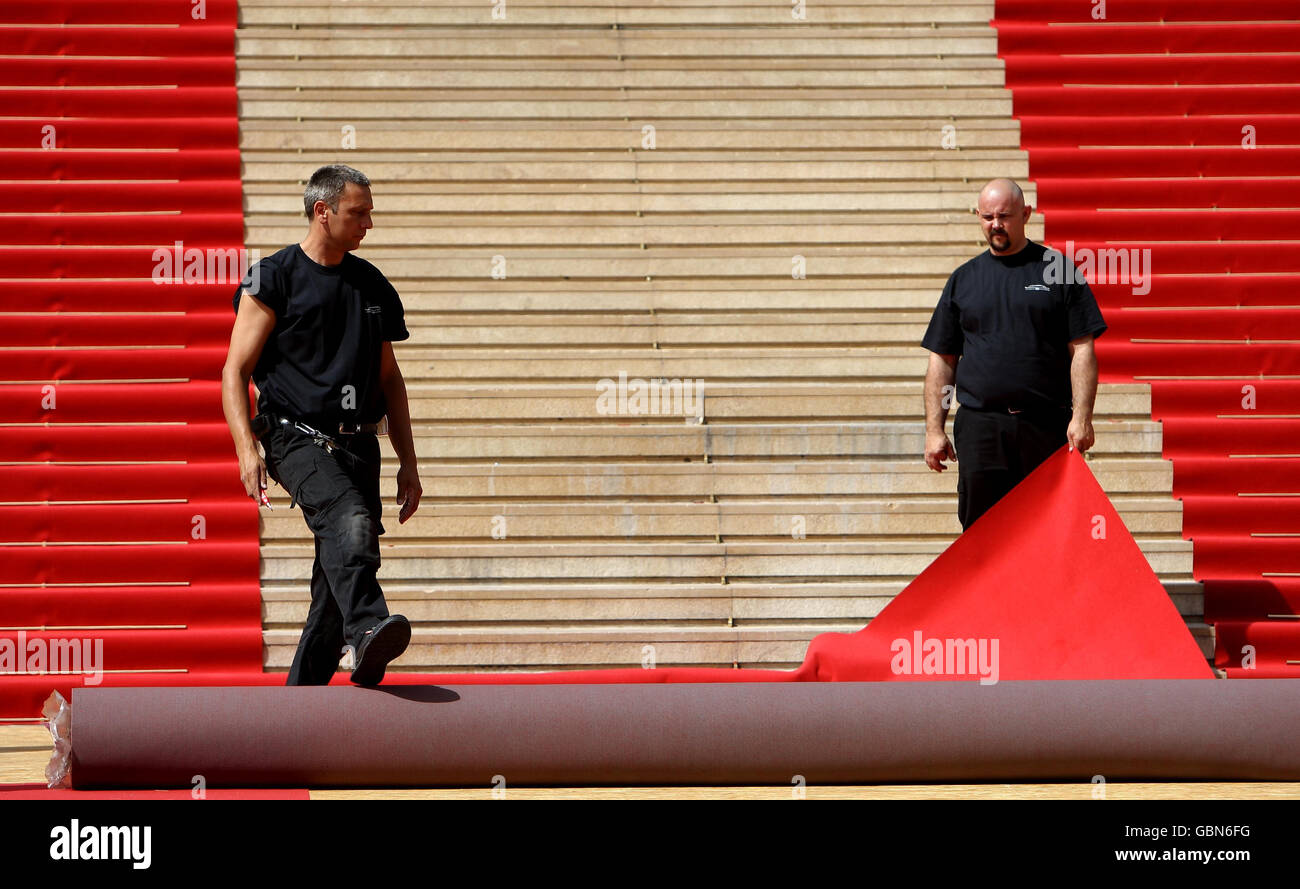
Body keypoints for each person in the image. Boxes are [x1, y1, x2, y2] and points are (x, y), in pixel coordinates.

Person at [222, 164, 422, 685]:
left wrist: (408, 462)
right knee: (349, 520)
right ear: (322, 211)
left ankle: (297, 708)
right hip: (295, 437)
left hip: (360, 445)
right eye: (359, 213)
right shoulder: (273, 278)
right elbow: (235, 370)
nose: (368, 224)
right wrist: (246, 450)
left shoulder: (371, 284)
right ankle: (370, 626)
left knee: (332, 598)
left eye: (370, 213)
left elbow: (390, 380)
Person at [921, 178, 1107, 530]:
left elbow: (1082, 350)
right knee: (981, 532)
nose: (996, 224)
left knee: (1049, 528)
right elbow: (942, 360)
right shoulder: (963, 280)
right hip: (981, 428)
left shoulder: (1059, 272)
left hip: (1045, 425)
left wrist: (1082, 417)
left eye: (1004, 216)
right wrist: (934, 429)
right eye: (987, 216)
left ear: (1026, 214)